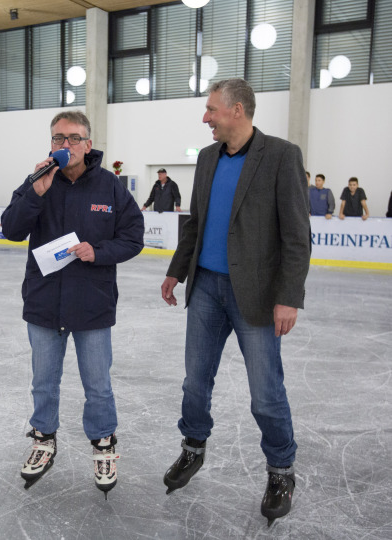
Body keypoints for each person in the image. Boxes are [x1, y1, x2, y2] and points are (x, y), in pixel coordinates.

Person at [160, 79, 310, 525]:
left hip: (258, 295)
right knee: (194, 384)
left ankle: (281, 470)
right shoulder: (206, 159)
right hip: (206, 287)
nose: (206, 118)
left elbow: (297, 236)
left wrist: (288, 297)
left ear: (238, 110)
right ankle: (192, 449)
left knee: (266, 394)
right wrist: (176, 271)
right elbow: (195, 223)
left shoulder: (282, 156)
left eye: (211, 110)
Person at [1, 110, 144, 497]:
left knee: (98, 385)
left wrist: (97, 251)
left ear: (89, 143)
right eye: (59, 139)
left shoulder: (110, 186)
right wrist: (36, 193)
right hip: (44, 303)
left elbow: (133, 237)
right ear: (51, 143)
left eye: (75, 138)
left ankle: (103, 444)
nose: (67, 146)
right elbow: (11, 230)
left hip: (91, 304)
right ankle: (44, 439)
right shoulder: (37, 181)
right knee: (43, 383)